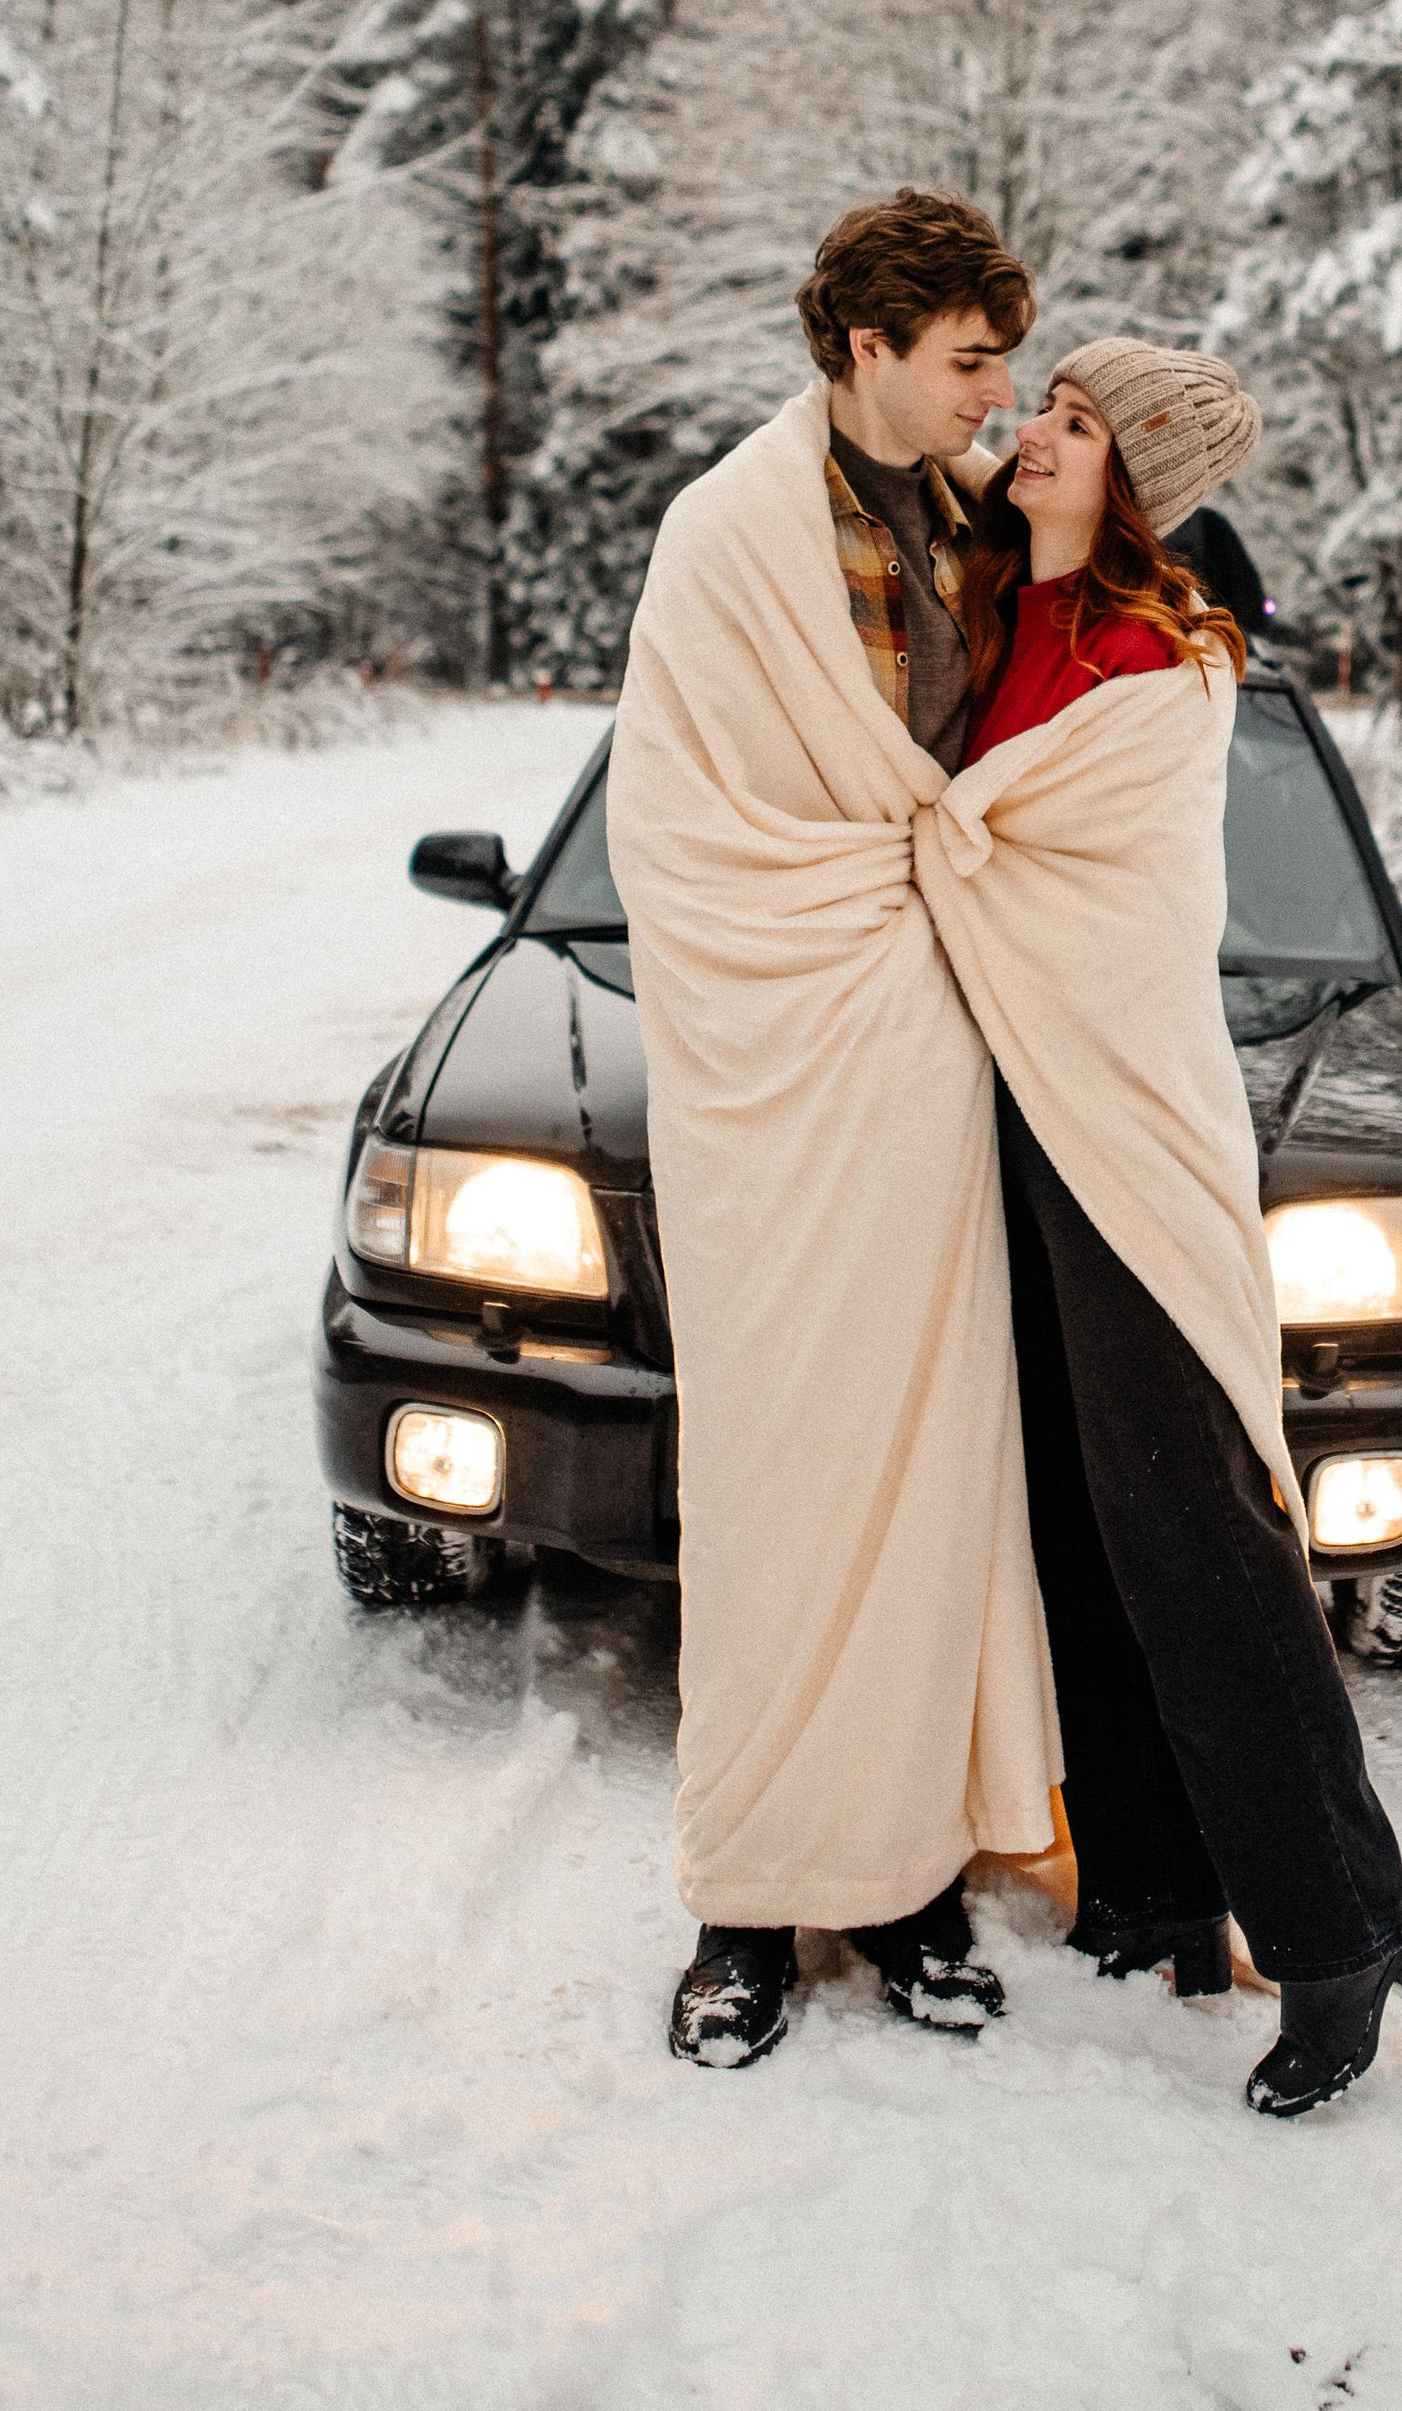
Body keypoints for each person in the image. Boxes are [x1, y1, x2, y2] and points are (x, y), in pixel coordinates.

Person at [945, 340, 1402, 2119]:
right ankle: (1155, 1890)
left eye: (1074, 426)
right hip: (1011, 1111)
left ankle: (1341, 1934)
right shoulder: (1001, 611)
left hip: (1129, 1123)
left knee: (1196, 1518)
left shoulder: (1160, 665)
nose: (1036, 437)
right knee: (1078, 1510)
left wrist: (944, 842)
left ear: (1135, 479)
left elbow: (1044, 868)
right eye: (1045, 407)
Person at [607, 191, 1053, 2067]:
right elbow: (680, 840)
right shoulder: (721, 540)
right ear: (869, 347)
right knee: (782, 1475)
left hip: (938, 1067)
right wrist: (868, 936)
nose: (995, 393)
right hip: (781, 1081)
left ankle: (912, 1875)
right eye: (967, 360)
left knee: (940, 1472)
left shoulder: (988, 531)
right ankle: (746, 1900)